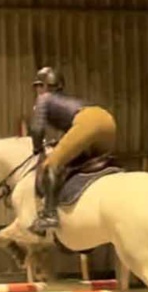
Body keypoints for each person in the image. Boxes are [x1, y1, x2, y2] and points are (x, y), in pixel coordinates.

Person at [26, 66, 117, 234]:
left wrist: (37, 148)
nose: (38, 90)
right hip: (108, 122)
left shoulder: (43, 99)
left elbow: (37, 129)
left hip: (87, 123)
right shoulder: (70, 100)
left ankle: (49, 214)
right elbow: (73, 134)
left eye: (39, 86)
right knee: (81, 163)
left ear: (43, 86)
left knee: (50, 165)